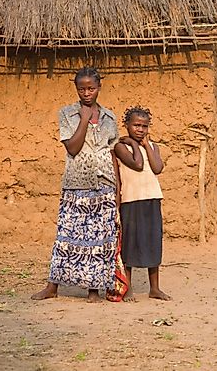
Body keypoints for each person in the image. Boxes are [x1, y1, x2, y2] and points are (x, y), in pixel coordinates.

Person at [32, 67, 126, 303]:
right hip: (76, 183)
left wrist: (117, 188)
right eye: (82, 89)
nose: (87, 93)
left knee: (99, 240)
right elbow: (72, 147)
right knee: (66, 235)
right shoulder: (67, 114)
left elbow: (112, 153)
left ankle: (93, 289)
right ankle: (52, 287)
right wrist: (84, 120)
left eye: (91, 88)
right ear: (76, 89)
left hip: (104, 183)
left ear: (99, 88)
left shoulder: (110, 118)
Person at [114, 106, 171, 301]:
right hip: (131, 200)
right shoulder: (121, 147)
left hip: (152, 199)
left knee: (153, 243)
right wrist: (133, 143)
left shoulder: (154, 147)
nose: (140, 130)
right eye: (136, 125)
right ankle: (127, 287)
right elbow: (137, 164)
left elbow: (157, 168)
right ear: (126, 125)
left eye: (144, 126)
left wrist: (146, 145)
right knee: (130, 244)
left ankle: (154, 288)